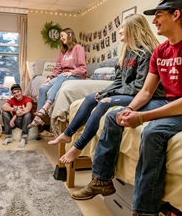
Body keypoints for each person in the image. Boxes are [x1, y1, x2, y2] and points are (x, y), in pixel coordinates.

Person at [70, 0, 182, 216]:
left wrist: (144, 118)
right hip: (173, 102)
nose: (154, 21)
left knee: (154, 131)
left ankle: (145, 210)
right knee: (112, 115)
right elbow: (146, 92)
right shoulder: (161, 51)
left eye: (158, 15)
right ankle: (101, 179)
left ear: (176, 14)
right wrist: (129, 110)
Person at [48, 14, 166, 164]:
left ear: (133, 29)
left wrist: (108, 96)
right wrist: (104, 92)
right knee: (92, 97)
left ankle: (77, 147)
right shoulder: (126, 52)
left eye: (123, 27)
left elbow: (140, 86)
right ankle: (67, 133)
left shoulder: (146, 52)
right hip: (130, 92)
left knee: (104, 102)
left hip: (145, 96)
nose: (120, 30)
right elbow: (118, 80)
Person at [29, 28, 87, 127]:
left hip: (76, 76)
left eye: (62, 36)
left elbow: (83, 68)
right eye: (60, 37)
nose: (61, 38)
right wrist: (50, 77)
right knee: (43, 88)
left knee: (61, 76)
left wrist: (72, 72)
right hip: (63, 76)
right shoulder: (63, 51)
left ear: (69, 35)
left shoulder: (78, 48)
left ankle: (47, 105)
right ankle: (38, 117)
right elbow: (58, 68)